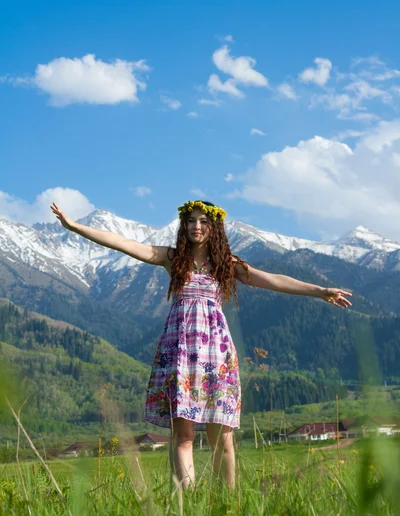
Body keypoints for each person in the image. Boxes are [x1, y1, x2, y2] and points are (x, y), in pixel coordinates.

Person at [50, 199, 352, 489]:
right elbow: (123, 243)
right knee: (182, 436)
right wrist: (75, 226)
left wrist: (319, 290)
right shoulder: (171, 258)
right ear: (184, 225)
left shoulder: (226, 264)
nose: (196, 226)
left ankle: (228, 502)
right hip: (179, 352)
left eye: (204, 221)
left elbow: (272, 279)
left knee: (222, 438)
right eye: (191, 220)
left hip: (215, 353)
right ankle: (186, 502)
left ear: (214, 227)